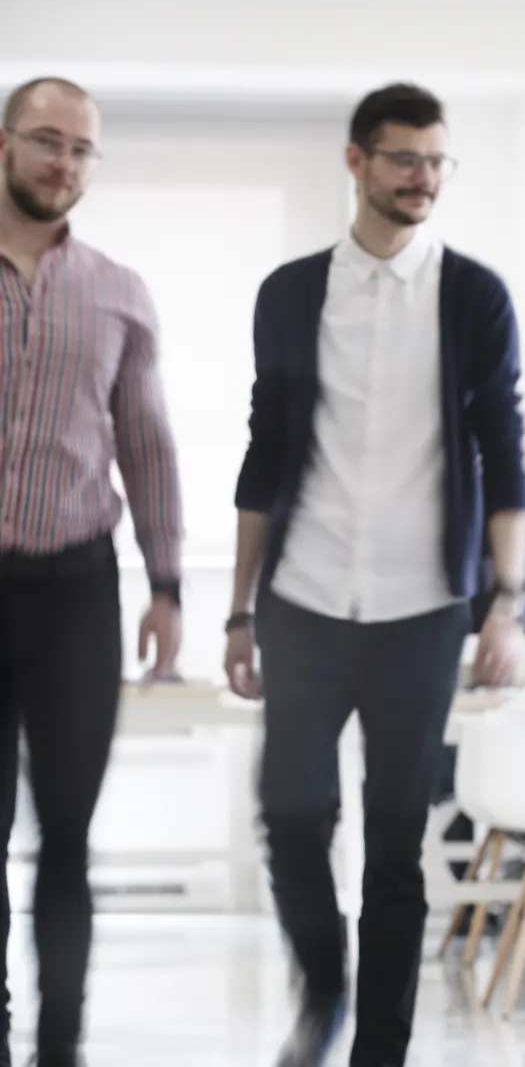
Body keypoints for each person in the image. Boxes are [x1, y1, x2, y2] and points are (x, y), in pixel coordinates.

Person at [225, 82, 525, 1067]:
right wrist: (236, 610)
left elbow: (506, 448)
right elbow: (263, 454)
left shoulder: (474, 294)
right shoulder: (290, 292)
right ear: (356, 161)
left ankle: (380, 1053)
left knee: (396, 844)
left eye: (438, 161)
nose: (423, 178)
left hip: (421, 608)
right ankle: (323, 986)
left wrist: (507, 605)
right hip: (304, 597)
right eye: (404, 159)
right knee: (289, 812)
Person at [0, 77, 184, 1067]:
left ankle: (59, 1047)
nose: (63, 164)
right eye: (46, 141)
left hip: (75, 590)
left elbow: (147, 445)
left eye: (80, 150)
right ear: (3, 145)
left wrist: (168, 582)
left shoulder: (118, 291)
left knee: (67, 834)